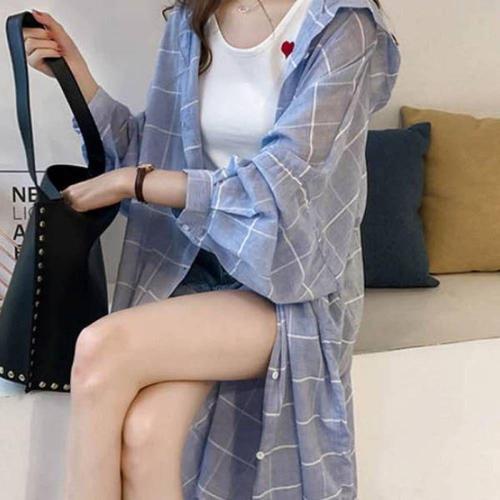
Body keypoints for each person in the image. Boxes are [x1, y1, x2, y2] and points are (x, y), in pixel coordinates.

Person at [24, 0, 400, 498]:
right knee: (146, 434)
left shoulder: (344, 27)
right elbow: (156, 153)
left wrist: (132, 183)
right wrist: (78, 80)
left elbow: (283, 185)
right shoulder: (195, 17)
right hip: (197, 273)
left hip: (290, 288)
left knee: (100, 347)